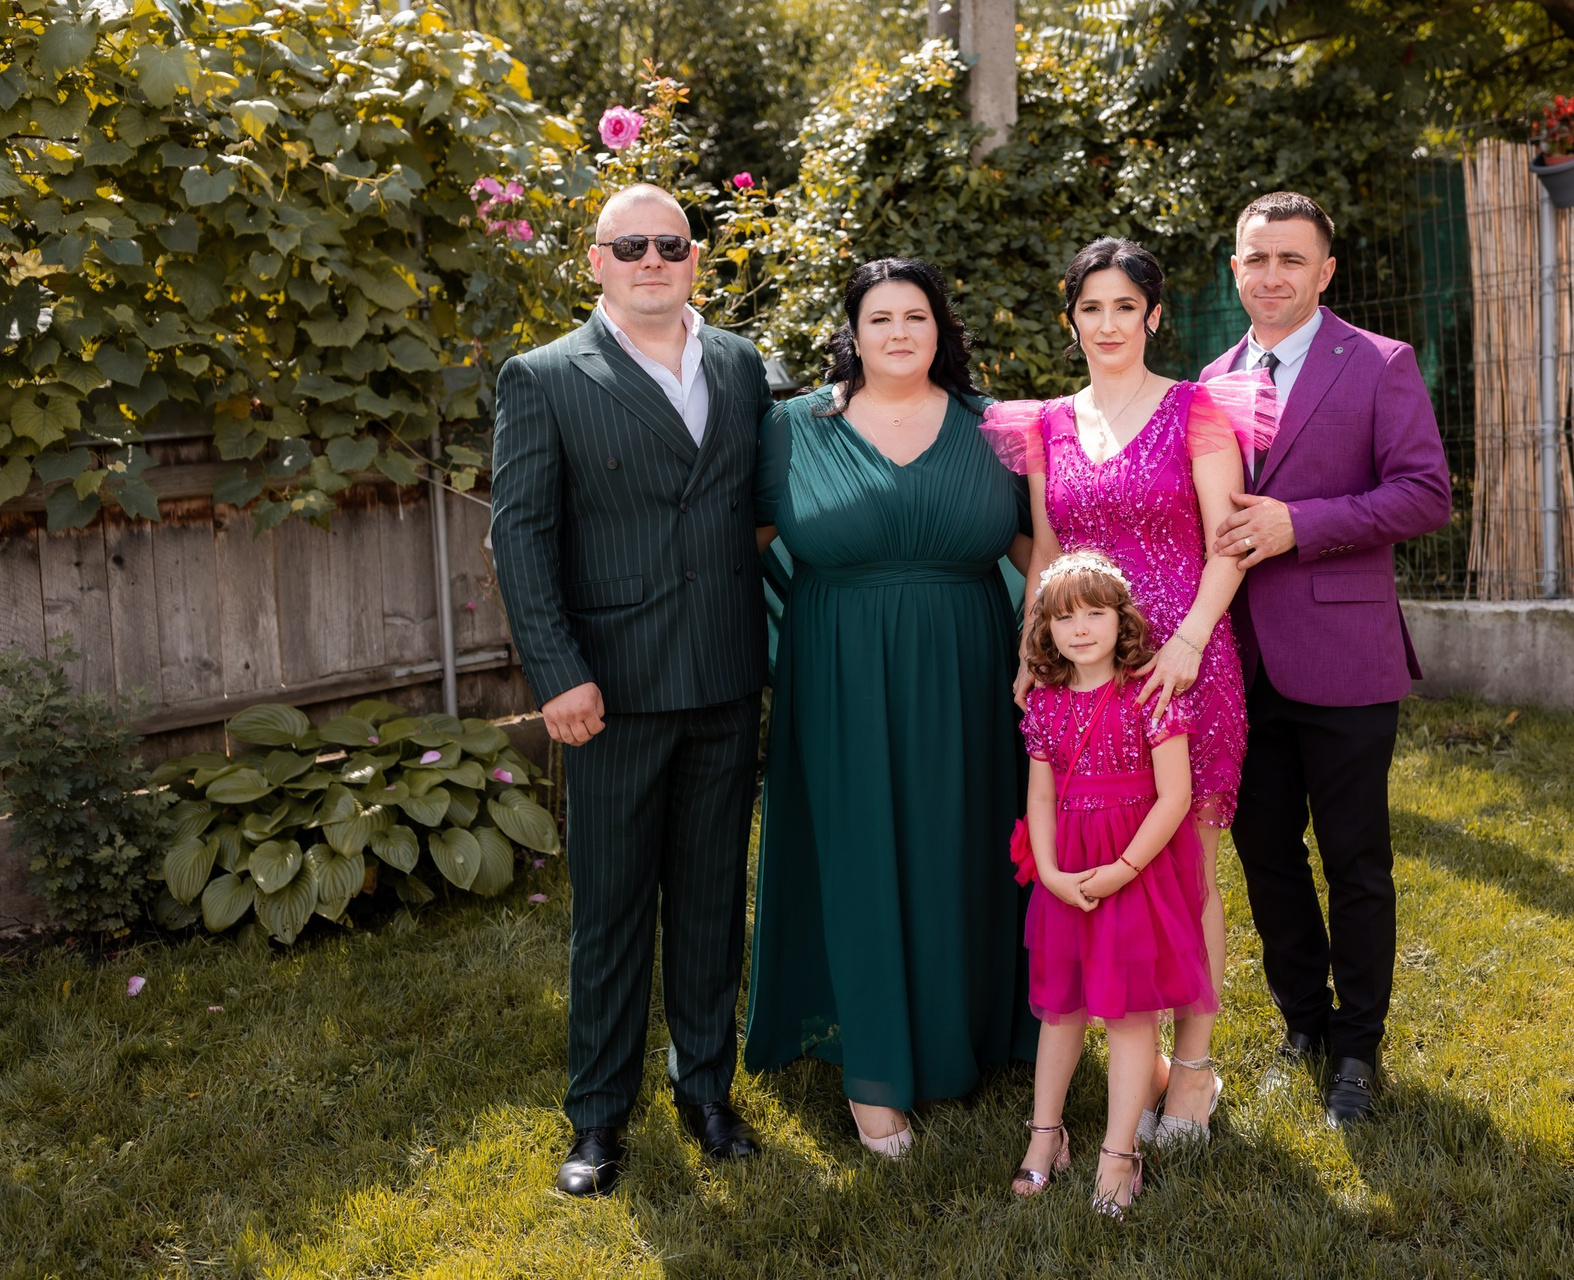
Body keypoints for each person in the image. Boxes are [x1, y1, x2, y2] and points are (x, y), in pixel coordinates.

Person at [490, 183, 770, 1196]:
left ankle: (706, 1092)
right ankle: (598, 1117)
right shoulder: (544, 376)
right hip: (608, 691)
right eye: (631, 244)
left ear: (694, 258)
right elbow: (520, 538)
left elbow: (757, 503)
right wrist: (558, 673)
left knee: (710, 901)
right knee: (609, 913)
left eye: (671, 244)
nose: (653, 259)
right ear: (596, 261)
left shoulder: (739, 364)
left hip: (724, 678)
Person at [744, 258, 1036, 1156]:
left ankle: (970, 1033)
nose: (900, 333)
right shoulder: (794, 428)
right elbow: (745, 546)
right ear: (854, 332)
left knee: (963, 846)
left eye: (917, 316)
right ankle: (873, 1071)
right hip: (839, 672)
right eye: (881, 318)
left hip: (970, 671)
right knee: (859, 851)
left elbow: (1042, 553)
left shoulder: (998, 428)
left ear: (941, 329)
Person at [981, 237, 1246, 1145]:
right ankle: (1139, 1058)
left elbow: (1229, 542)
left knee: (1188, 867)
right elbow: (1049, 551)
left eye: (1124, 306)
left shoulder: (1198, 409)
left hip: (1181, 665)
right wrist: (1032, 649)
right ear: (1071, 320)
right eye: (1090, 307)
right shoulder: (1047, 425)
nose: (1107, 323)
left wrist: (1188, 642)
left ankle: (1194, 1072)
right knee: (1104, 850)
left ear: (1153, 316)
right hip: (1082, 669)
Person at [1202, 191, 1452, 1127]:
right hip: (1240, 662)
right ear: (1235, 268)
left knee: (1355, 860)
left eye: (1292, 260)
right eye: (1257, 259)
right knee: (1266, 856)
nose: (1272, 276)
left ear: (1325, 272)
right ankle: (1302, 1027)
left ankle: (1357, 1049)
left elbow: (1424, 493)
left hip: (1345, 657)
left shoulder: (1380, 364)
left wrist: (1298, 525)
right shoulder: (1211, 379)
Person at [1010, 550, 1217, 1220]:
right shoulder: (1045, 705)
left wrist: (1124, 868)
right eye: (1064, 617)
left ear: (1121, 619)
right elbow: (1041, 798)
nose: (1080, 629)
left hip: (1135, 869)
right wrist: (1050, 872)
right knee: (1061, 1008)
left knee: (1130, 1015)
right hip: (1068, 868)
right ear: (1046, 629)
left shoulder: (1149, 695)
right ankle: (1045, 1135)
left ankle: (1119, 1152)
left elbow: (1176, 796)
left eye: (1094, 613)